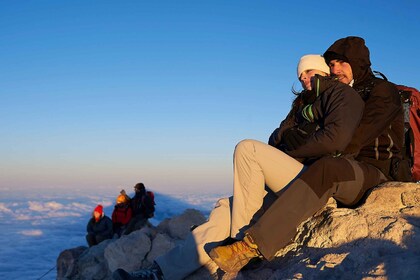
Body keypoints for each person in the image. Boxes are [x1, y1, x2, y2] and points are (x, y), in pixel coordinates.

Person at [113, 54, 365, 280]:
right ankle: (161, 272)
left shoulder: (335, 96)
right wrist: (287, 137)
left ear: (322, 71)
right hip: (286, 174)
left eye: (309, 72)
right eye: (300, 76)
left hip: (312, 179)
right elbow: (275, 137)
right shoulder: (300, 106)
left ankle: (241, 245)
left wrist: (290, 145)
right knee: (225, 208)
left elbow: (333, 141)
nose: (304, 79)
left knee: (247, 148)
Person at [208, 36, 407, 275]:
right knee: (235, 204)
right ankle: (174, 266)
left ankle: (252, 247)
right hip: (337, 167)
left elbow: (351, 141)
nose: (336, 69)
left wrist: (303, 145)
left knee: (328, 167)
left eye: (342, 63)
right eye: (331, 64)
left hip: (373, 171)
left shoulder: (382, 91)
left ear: (359, 63)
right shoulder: (337, 94)